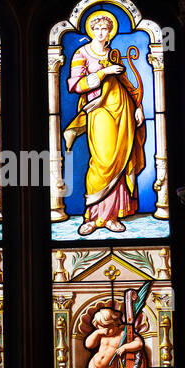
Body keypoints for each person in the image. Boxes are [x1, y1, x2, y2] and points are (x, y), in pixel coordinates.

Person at [63, 13, 146, 235]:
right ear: (91, 31)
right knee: (103, 160)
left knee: (121, 159)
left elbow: (126, 83)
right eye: (97, 29)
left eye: (105, 29)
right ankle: (93, 215)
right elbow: (76, 85)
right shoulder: (82, 53)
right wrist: (103, 72)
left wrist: (138, 106)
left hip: (123, 110)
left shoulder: (114, 54)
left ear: (110, 32)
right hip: (99, 110)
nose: (101, 33)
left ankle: (112, 216)